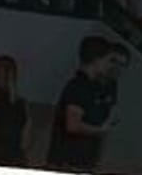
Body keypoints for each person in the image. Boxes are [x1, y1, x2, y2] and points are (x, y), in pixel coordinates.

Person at [46, 35, 118, 171]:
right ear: (97, 59)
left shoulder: (95, 88)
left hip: (83, 161)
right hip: (67, 161)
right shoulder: (78, 87)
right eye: (108, 60)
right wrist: (100, 130)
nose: (110, 66)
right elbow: (73, 125)